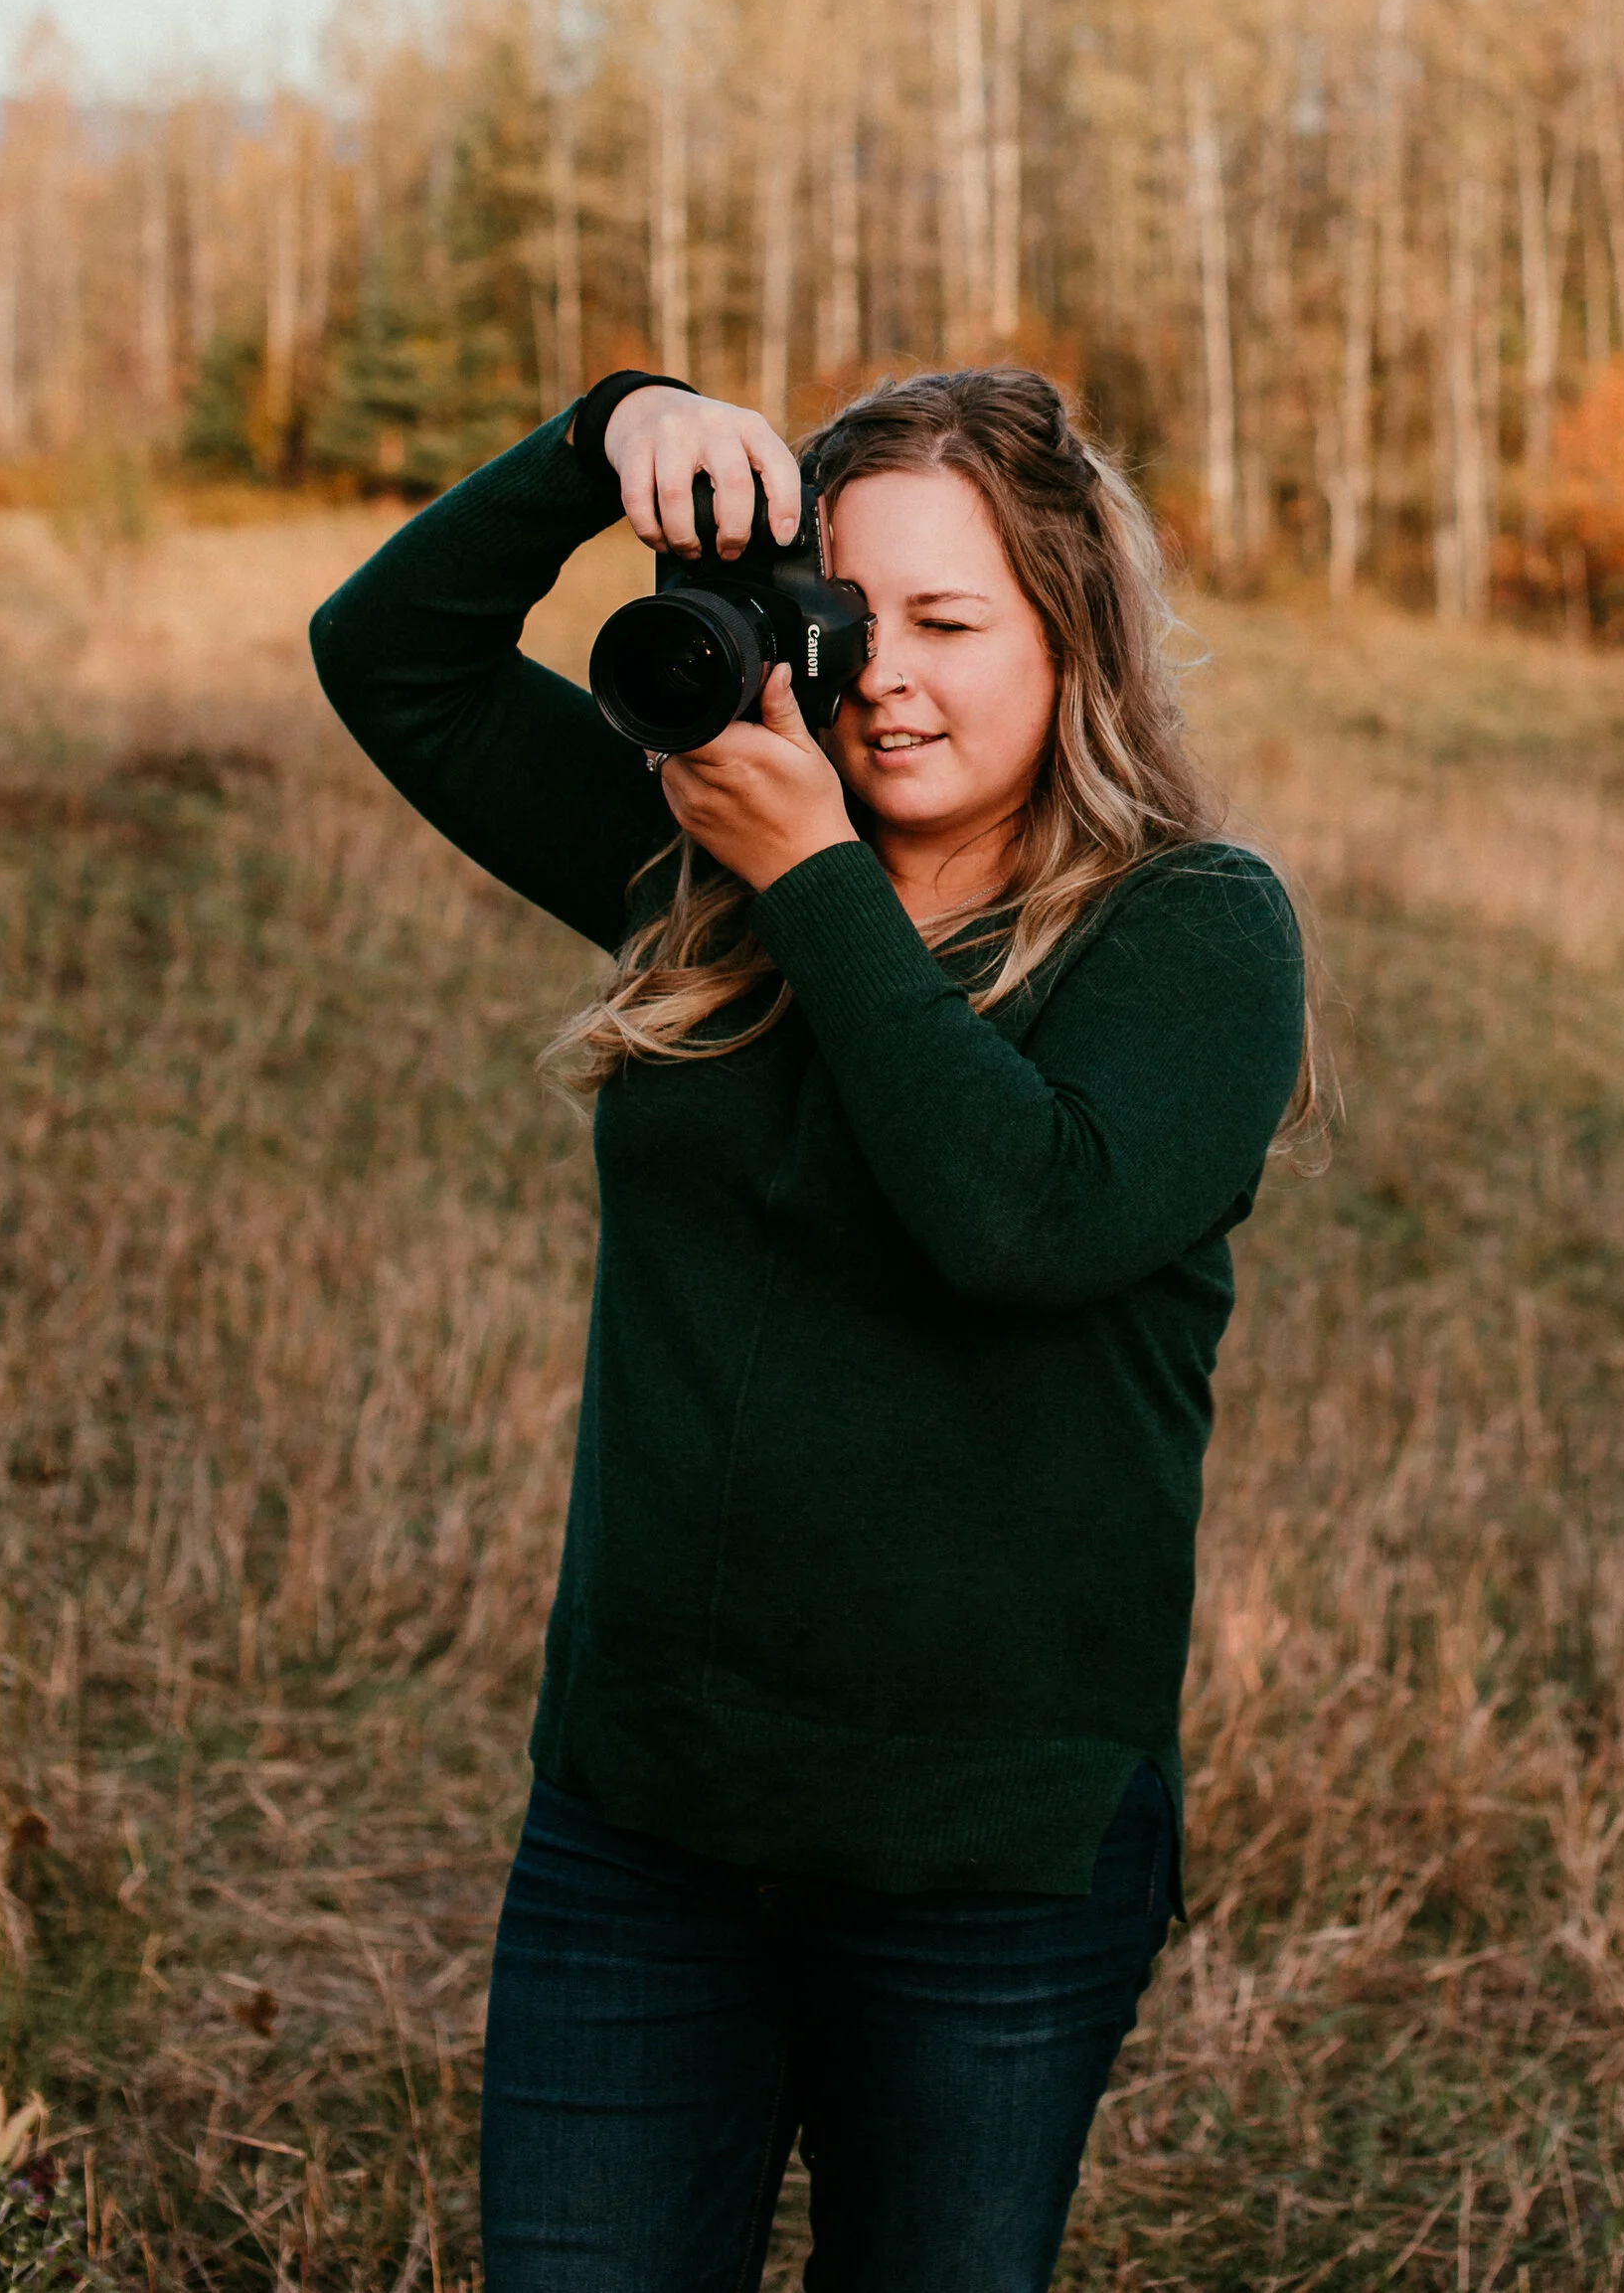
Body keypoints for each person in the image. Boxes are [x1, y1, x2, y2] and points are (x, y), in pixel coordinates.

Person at [308, 362, 1311, 2293]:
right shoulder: (699, 867)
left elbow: (1018, 1217)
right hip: (647, 1825)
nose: (887, 680)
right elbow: (391, 659)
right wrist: (600, 435)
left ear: (1073, 636)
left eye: (952, 622)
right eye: (847, 619)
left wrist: (812, 876)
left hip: (986, 1862)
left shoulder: (1191, 927)